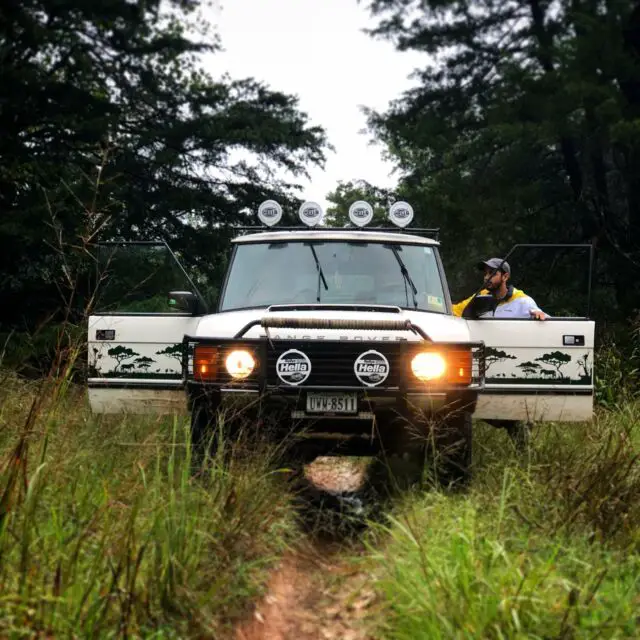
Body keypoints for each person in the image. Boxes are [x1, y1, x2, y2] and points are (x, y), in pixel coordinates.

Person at [452, 258, 548, 320]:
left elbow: (542, 317)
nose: (486, 277)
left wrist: (539, 314)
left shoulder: (522, 300)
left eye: (492, 273)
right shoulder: (481, 295)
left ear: (505, 277)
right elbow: (455, 310)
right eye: (485, 274)